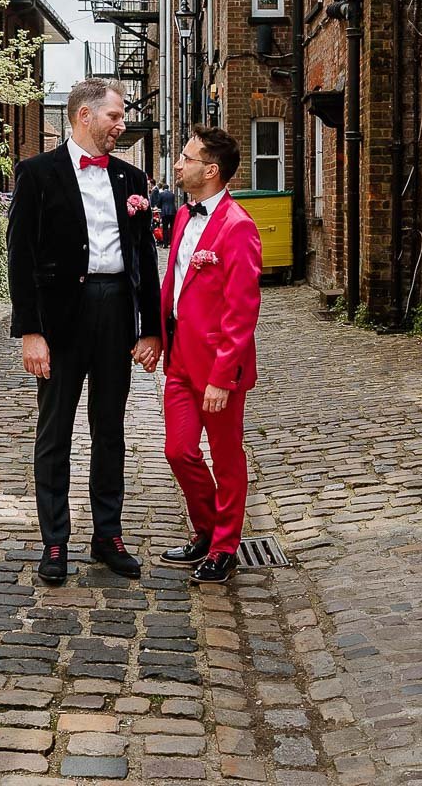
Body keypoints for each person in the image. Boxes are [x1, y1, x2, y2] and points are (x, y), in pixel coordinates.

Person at [7, 77, 162, 584]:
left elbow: (143, 257)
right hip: (61, 318)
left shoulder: (131, 178)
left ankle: (108, 534)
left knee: (110, 430)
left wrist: (150, 328)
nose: (122, 125)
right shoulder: (37, 174)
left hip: (116, 311)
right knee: (55, 433)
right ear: (84, 116)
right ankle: (55, 542)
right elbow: (20, 259)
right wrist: (31, 332)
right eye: (115, 116)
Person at [158, 126, 262, 584]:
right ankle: (205, 530)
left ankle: (225, 546)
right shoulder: (183, 217)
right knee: (179, 451)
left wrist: (223, 375)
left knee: (226, 456)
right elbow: (175, 287)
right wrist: (157, 338)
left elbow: (242, 310)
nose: (179, 165)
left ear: (211, 170)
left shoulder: (239, 227)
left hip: (220, 366)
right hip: (180, 358)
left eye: (187, 157)